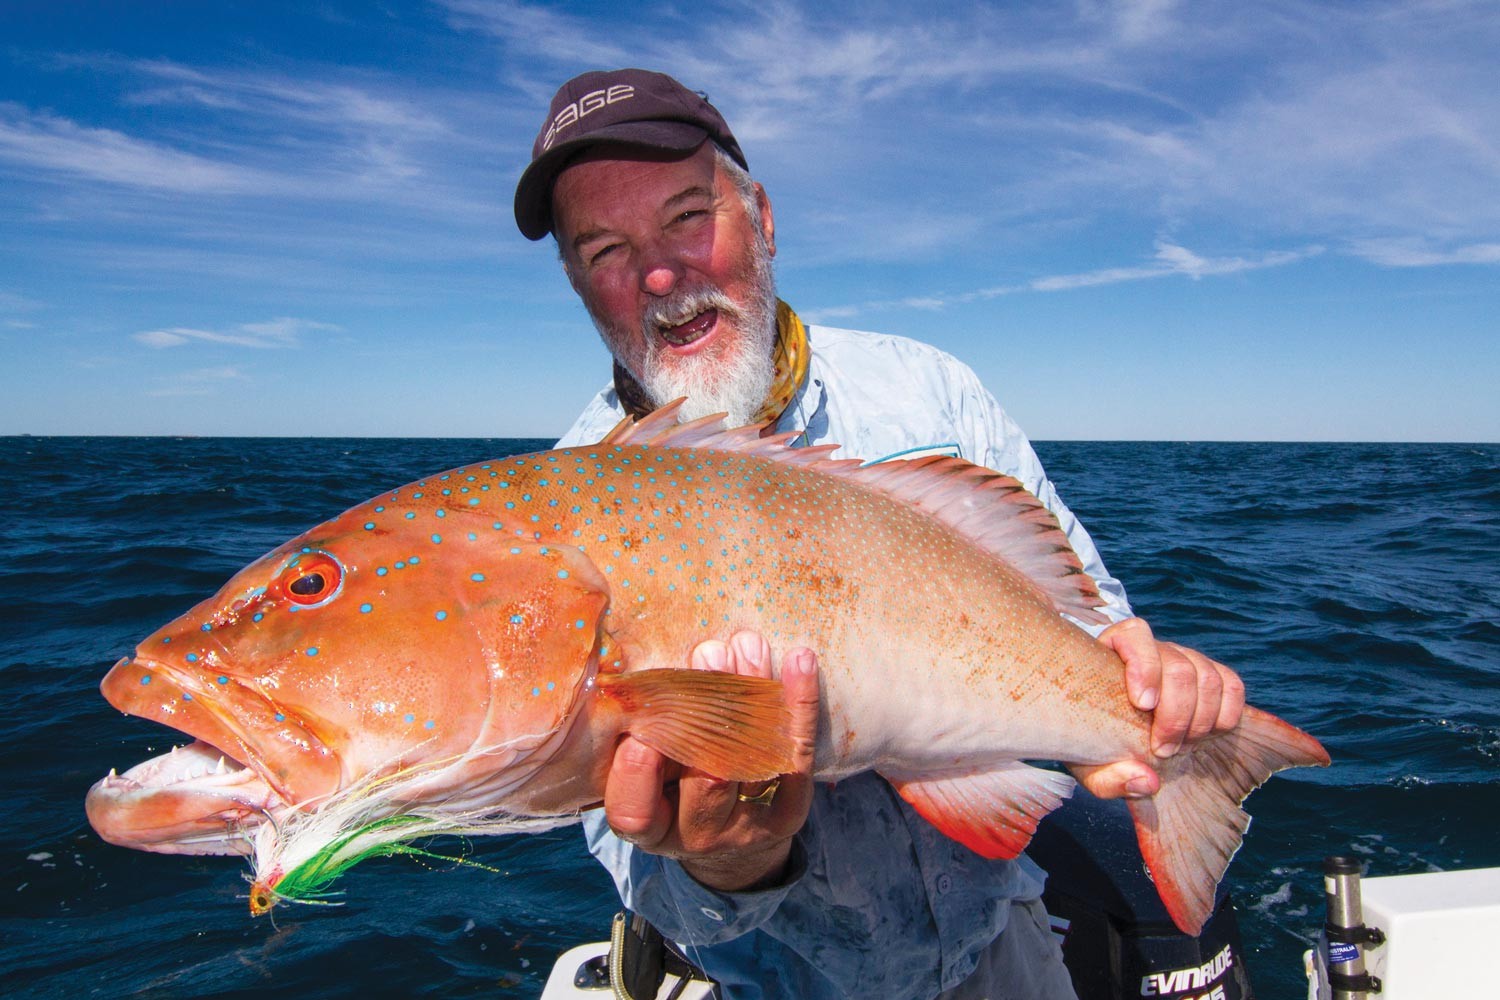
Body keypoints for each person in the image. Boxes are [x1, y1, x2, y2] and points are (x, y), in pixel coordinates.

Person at [513, 68, 1245, 1000]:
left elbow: (1096, 619)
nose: (661, 275)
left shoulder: (931, 391)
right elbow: (627, 859)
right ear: (577, 283)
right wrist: (730, 865)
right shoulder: (557, 514)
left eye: (688, 217)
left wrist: (1149, 680)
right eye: (607, 249)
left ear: (762, 216)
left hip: (1003, 949)